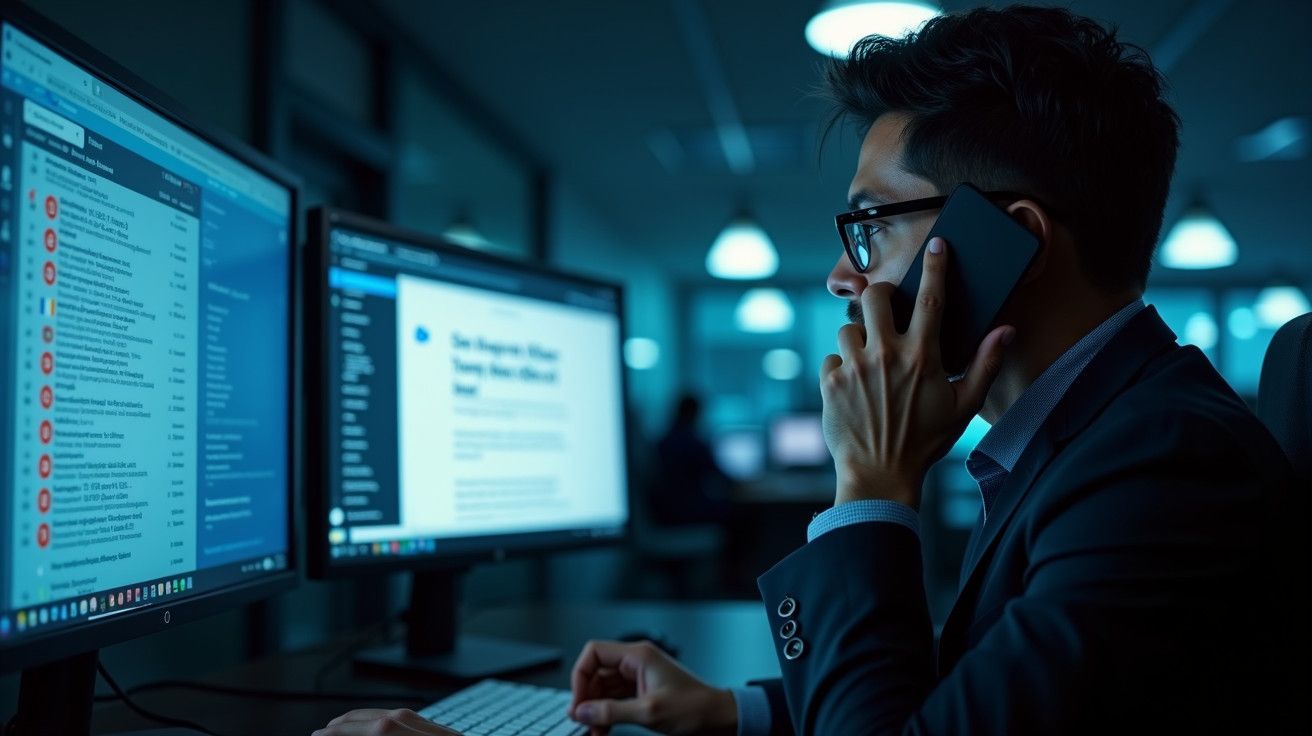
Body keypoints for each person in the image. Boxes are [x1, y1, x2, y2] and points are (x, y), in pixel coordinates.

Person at [317, 5, 1303, 735]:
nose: (842, 274)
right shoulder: (1093, 434)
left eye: (871, 224)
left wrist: (870, 489)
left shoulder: (1161, 470)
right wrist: (732, 711)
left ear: (1010, 242)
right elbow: (969, 700)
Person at [649, 394, 733, 527]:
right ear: (695, 413)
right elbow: (718, 474)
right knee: (736, 510)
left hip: (666, 510)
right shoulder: (694, 444)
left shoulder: (662, 442)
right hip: (687, 509)